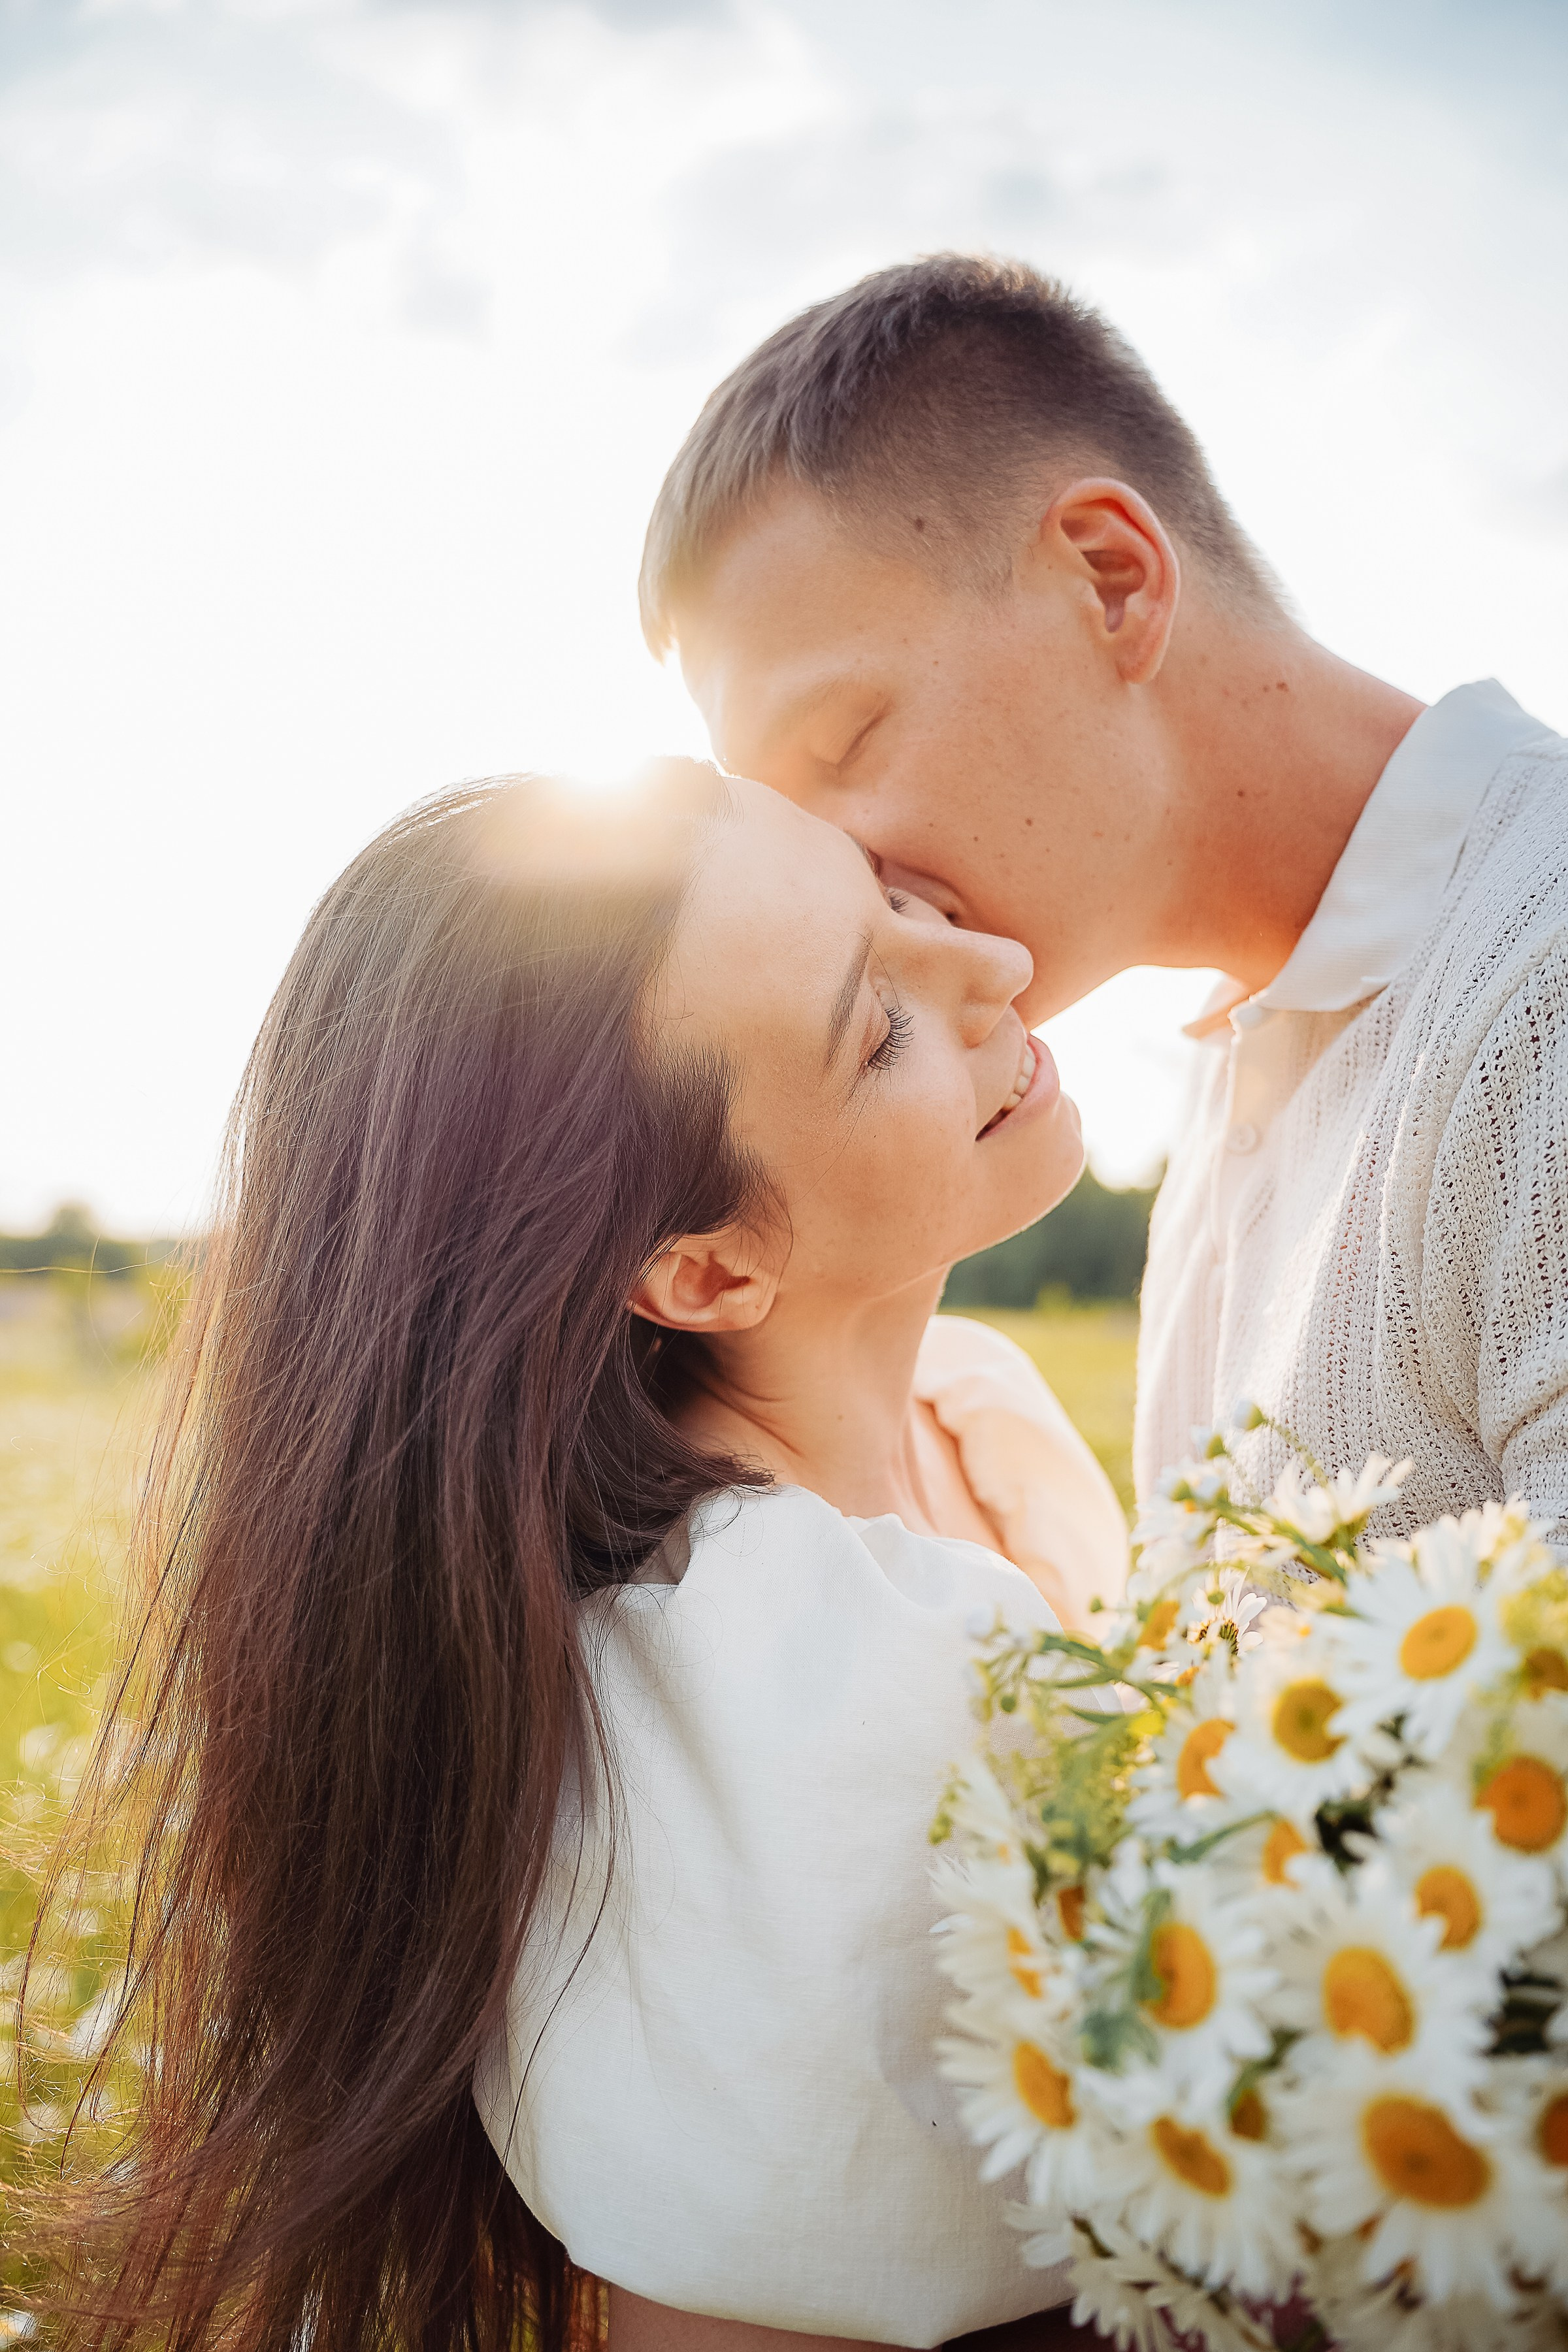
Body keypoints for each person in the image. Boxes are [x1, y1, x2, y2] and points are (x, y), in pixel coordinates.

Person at [37, 763, 1126, 2351]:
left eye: (896, 902)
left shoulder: (972, 1419)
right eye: (877, 1024)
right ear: (704, 1267)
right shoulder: (762, 1696)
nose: (996, 972)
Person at [640, 253, 1568, 1541]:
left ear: (1112, 578)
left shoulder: (1542, 974)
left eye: (844, 742)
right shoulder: (1246, 1073)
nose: (845, 874)